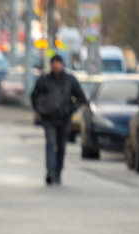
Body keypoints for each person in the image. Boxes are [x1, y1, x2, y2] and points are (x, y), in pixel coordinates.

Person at [31, 54, 87, 186]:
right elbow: (34, 96)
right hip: (48, 118)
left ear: (62, 64)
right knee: (50, 144)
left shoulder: (69, 80)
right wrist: (40, 111)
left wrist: (70, 109)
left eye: (58, 63)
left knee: (61, 146)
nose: (56, 66)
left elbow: (81, 98)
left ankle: (58, 173)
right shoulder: (44, 80)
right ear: (51, 65)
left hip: (64, 119)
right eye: (54, 63)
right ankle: (50, 173)